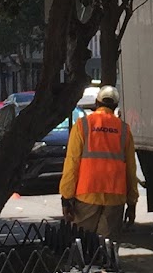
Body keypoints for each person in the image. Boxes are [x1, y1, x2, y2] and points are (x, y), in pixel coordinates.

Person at [59, 86, 138, 239]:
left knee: (83, 245)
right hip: (115, 196)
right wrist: (132, 201)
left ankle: (86, 263)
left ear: (96, 103)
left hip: (86, 194)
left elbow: (72, 163)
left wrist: (66, 197)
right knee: (107, 247)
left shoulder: (83, 126)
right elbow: (131, 168)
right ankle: (106, 263)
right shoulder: (123, 130)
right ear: (115, 106)